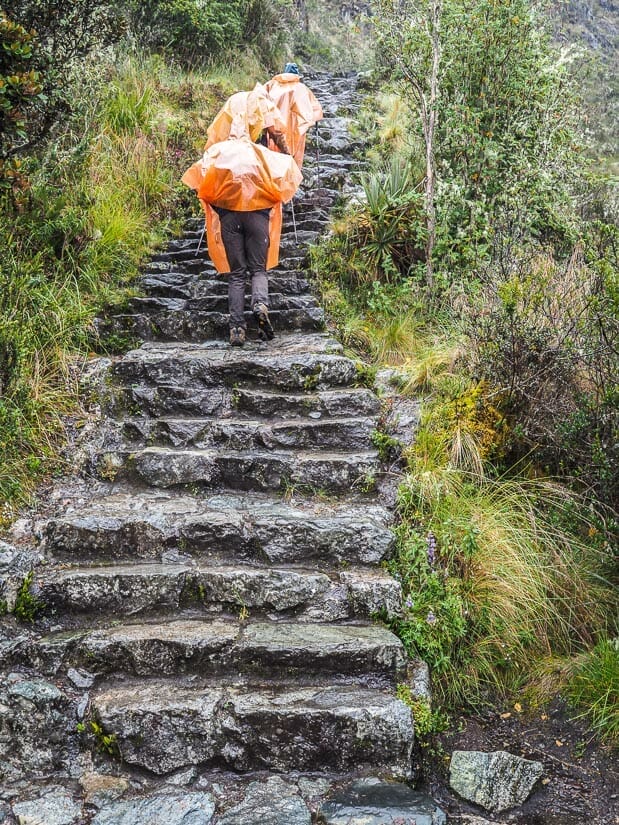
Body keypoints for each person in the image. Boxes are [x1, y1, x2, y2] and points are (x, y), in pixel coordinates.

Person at [182, 134, 302, 346]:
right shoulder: (261, 156)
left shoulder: (221, 157)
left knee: (237, 274)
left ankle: (237, 329)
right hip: (258, 217)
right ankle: (260, 304)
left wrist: (222, 209)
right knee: (258, 269)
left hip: (230, 219)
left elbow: (199, 181)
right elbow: (284, 176)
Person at [265, 63, 323, 169]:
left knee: (275, 160)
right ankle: (292, 182)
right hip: (298, 129)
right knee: (295, 162)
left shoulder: (272, 85)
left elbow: (260, 99)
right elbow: (317, 110)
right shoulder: (302, 88)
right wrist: (311, 121)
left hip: (276, 127)